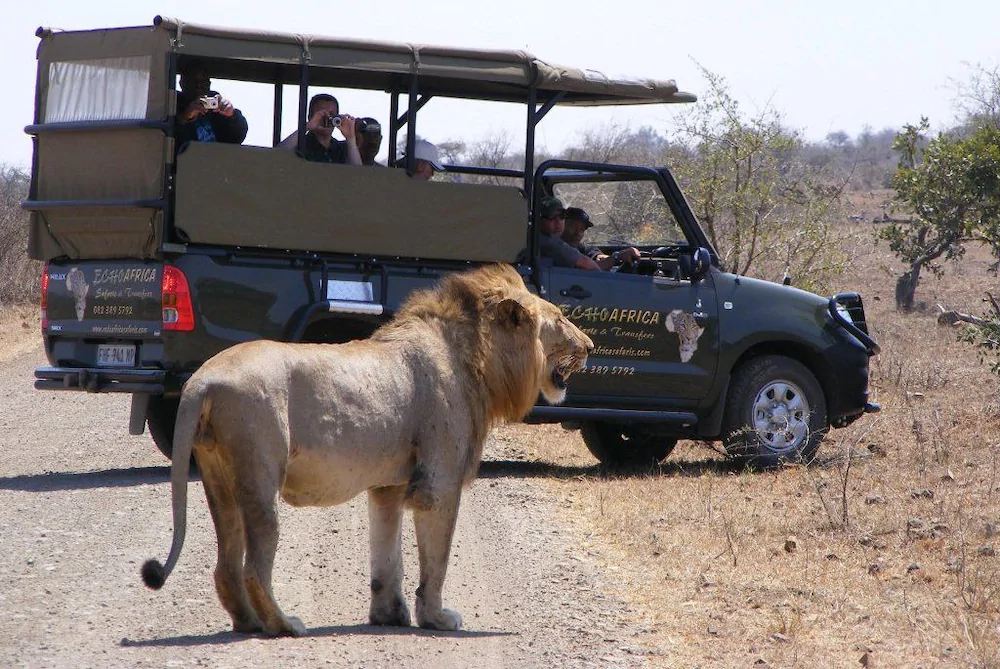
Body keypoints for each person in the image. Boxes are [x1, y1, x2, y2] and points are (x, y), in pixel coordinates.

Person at [175, 59, 248, 147]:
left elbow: (237, 137)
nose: (198, 86)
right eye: (193, 81)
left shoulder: (216, 108)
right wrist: (185, 117)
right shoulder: (172, 104)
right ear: (182, 83)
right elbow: (165, 138)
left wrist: (231, 115)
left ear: (208, 84)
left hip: (216, 158)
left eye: (202, 82)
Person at [277, 94, 361, 165]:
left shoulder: (343, 148)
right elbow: (277, 155)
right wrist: (306, 127)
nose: (327, 118)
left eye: (332, 114)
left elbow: (358, 173)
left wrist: (351, 138)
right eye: (322, 113)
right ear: (310, 116)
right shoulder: (300, 144)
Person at [561, 206, 641, 270]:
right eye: (573, 227)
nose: (577, 233)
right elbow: (592, 268)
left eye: (582, 229)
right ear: (562, 225)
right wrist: (617, 257)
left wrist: (598, 256)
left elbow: (590, 251)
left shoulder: (577, 246)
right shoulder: (559, 250)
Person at [534, 196, 600, 270]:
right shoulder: (546, 242)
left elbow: (584, 248)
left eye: (562, 216)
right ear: (538, 220)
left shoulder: (555, 240)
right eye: (551, 217)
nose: (558, 222)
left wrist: (596, 254)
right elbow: (587, 264)